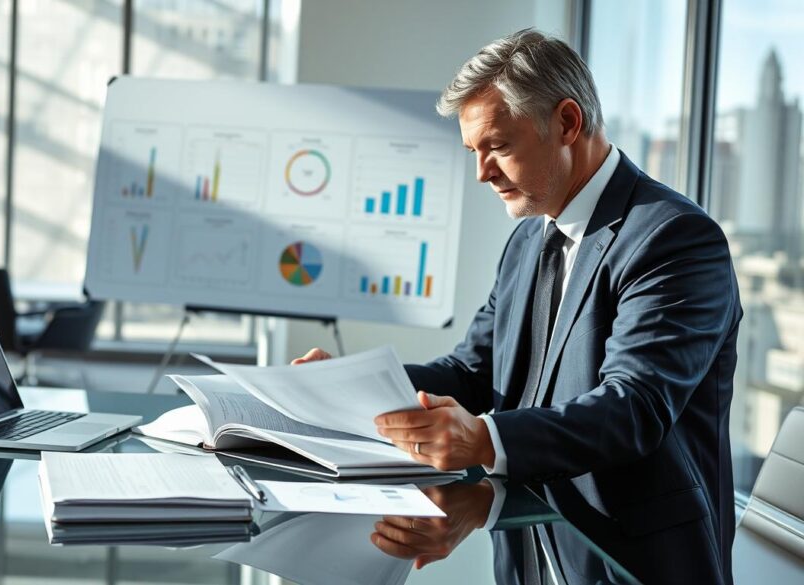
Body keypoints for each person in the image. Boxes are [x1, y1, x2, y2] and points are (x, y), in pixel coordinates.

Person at [294, 28, 741, 584]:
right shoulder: (530, 238)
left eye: (498, 147)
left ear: (568, 123)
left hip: (633, 564)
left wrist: (483, 439)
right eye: (473, 152)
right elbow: (474, 373)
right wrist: (351, 386)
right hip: (532, 552)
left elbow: (633, 408)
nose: (482, 172)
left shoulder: (673, 237)